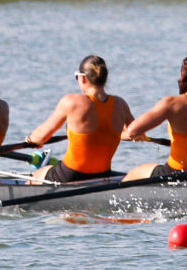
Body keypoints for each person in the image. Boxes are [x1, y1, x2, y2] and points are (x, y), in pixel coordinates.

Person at [23, 55, 135, 183]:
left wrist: (30, 140)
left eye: (76, 77)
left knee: (36, 175)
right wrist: (107, 135)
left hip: (70, 174)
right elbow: (135, 134)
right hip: (103, 175)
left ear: (82, 78)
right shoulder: (120, 104)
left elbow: (41, 137)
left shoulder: (72, 101)